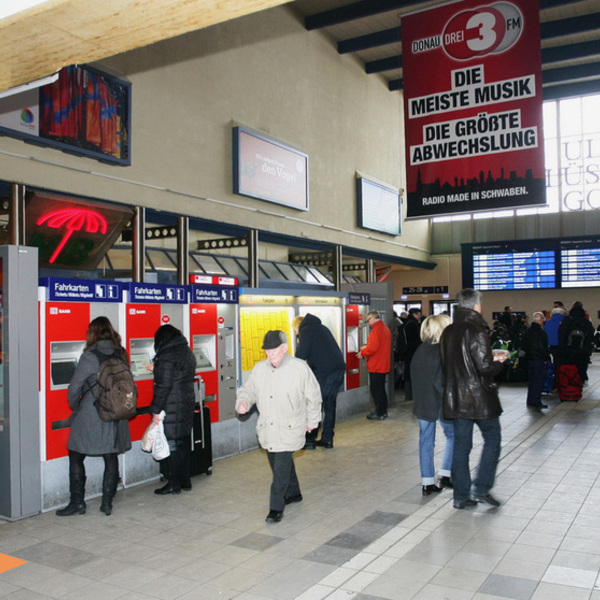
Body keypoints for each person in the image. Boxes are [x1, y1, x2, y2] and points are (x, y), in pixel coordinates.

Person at [236, 330, 322, 523]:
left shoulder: (299, 368)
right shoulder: (259, 369)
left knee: (280, 468)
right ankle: (294, 493)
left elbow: (313, 396)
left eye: (274, 350)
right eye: (267, 351)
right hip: (268, 427)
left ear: (284, 348)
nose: (270, 354)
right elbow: (248, 390)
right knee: (277, 462)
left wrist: (312, 421)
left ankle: (276, 507)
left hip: (290, 426)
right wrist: (243, 402)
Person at [57, 316, 132, 517]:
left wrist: (76, 406)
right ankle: (107, 503)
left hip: (94, 412)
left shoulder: (90, 356)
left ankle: (77, 503)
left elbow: (74, 387)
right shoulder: (121, 353)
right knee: (110, 455)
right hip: (116, 412)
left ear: (92, 333)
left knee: (75, 454)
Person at [440, 289, 507, 510]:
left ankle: (460, 496)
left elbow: (448, 364)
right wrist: (500, 361)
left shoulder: (448, 331)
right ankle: (481, 488)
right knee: (492, 440)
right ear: (476, 305)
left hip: (456, 398)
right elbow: (485, 367)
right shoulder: (477, 330)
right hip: (479, 399)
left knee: (461, 447)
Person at [150, 324, 197, 495]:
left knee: (172, 445)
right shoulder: (186, 351)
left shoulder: (167, 356)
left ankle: (173, 483)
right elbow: (178, 375)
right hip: (185, 403)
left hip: (171, 405)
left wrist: (155, 409)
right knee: (183, 442)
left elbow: (164, 385)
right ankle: (186, 481)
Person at [411, 314, 454, 496]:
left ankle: (427, 482)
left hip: (422, 402)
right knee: (454, 435)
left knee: (426, 442)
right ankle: (445, 473)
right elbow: (441, 382)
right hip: (440, 403)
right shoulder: (442, 351)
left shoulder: (420, 349)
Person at [293, 314, 345, 449]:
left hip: (325, 373)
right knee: (330, 406)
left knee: (313, 405)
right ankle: (327, 439)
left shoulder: (306, 331)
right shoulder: (321, 328)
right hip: (338, 370)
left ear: (298, 327)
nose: (296, 334)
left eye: (295, 331)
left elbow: (300, 356)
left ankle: (309, 440)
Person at [357, 310, 392, 420]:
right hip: (383, 364)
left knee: (376, 390)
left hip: (376, 365)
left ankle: (380, 412)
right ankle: (383, 411)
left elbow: (373, 348)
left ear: (373, 318)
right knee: (381, 389)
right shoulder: (385, 329)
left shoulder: (376, 331)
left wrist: (363, 352)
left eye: (368, 320)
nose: (368, 323)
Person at [558, 301, 595, 384]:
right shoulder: (586, 321)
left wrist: (562, 348)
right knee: (581, 370)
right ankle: (579, 385)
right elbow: (590, 337)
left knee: (569, 370)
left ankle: (568, 386)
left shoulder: (567, 320)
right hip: (582, 351)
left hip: (568, 350)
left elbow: (561, 334)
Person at [521, 311, 551, 409]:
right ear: (541, 320)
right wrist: (546, 358)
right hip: (539, 360)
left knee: (531, 381)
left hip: (530, 359)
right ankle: (536, 401)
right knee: (538, 381)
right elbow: (542, 347)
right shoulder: (541, 332)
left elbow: (524, 345)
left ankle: (530, 400)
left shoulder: (528, 331)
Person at [402, 308, 422, 400]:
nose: (420, 316)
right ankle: (411, 395)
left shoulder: (406, 323)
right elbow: (416, 340)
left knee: (408, 371)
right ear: (415, 314)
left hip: (407, 351)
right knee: (412, 372)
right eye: (419, 314)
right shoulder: (413, 325)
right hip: (413, 351)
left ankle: (408, 395)